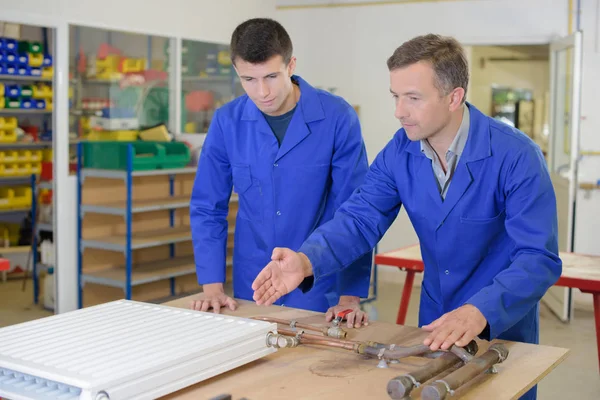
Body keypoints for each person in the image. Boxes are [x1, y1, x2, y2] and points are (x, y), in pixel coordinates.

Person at [251, 34, 561, 400]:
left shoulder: (516, 156)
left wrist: (480, 310)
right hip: (435, 319)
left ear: (454, 97)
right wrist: (304, 261)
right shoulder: (400, 151)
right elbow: (359, 218)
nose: (399, 111)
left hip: (501, 320)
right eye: (395, 96)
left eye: (413, 98)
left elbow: (537, 258)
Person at [189, 17, 373, 327]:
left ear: (291, 65)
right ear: (237, 72)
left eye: (271, 76)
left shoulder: (337, 117)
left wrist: (349, 296)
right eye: (249, 79)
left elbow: (355, 211)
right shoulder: (227, 122)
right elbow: (208, 207)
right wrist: (212, 288)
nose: (262, 92)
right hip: (253, 283)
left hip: (319, 282)